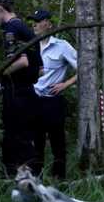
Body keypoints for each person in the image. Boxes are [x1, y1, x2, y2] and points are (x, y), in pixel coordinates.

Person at [0, 0, 42, 177]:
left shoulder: (11, 29)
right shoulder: (26, 29)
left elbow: (22, 61)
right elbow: (40, 68)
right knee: (25, 137)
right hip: (28, 92)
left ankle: (22, 181)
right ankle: (29, 179)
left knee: (16, 137)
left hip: (17, 93)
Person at [29, 9, 77, 180]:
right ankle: (36, 181)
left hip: (53, 102)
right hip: (33, 100)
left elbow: (83, 67)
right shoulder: (30, 45)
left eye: (38, 20)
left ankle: (60, 180)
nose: (34, 24)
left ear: (48, 23)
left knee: (58, 143)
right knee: (36, 143)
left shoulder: (61, 46)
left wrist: (66, 83)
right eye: (33, 21)